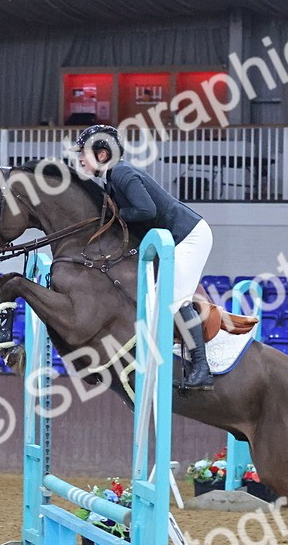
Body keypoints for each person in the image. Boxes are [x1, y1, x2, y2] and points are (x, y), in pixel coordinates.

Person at [72, 124, 214, 390]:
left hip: (189, 237)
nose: (79, 158)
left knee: (173, 299)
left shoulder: (122, 172)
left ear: (102, 154)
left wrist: (114, 216)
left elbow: (146, 210)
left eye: (84, 153)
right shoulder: (111, 179)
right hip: (172, 241)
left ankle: (201, 368)